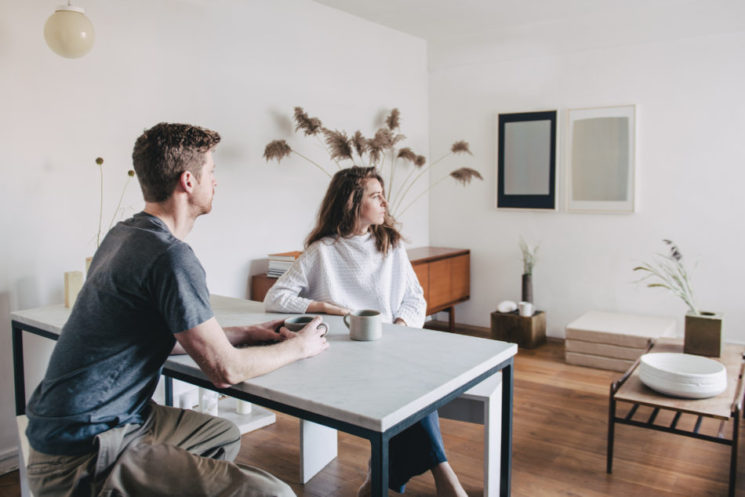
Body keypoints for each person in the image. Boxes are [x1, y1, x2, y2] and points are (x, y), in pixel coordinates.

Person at [24, 122, 329, 497]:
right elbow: (225, 371)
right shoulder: (170, 256)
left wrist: (245, 333)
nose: (216, 181)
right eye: (212, 172)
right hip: (84, 448)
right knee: (275, 493)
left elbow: (157, 337)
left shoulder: (124, 235)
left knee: (220, 435)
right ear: (188, 181)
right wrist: (300, 347)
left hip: (99, 419)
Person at [264, 166, 468, 497]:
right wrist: (326, 306)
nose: (385, 202)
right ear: (352, 202)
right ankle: (437, 472)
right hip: (343, 355)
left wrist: (401, 328)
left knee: (407, 381)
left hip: (390, 348)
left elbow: (415, 300)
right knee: (410, 383)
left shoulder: (392, 245)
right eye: (376, 195)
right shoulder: (323, 251)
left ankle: (384, 477)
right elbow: (275, 297)